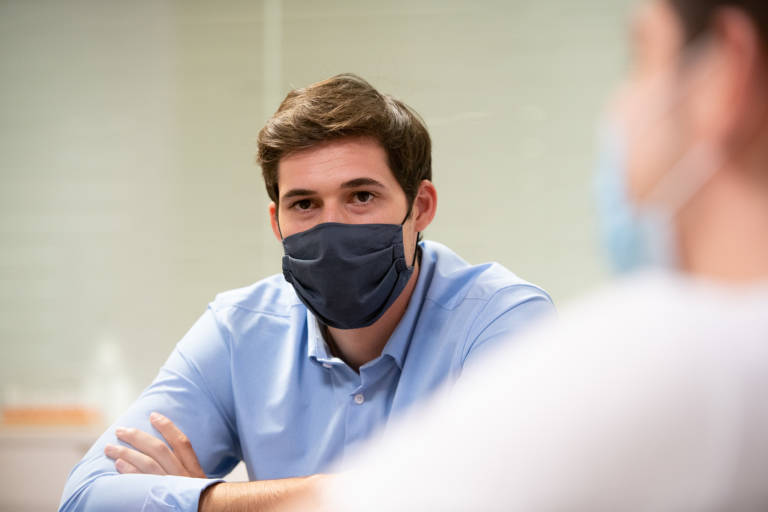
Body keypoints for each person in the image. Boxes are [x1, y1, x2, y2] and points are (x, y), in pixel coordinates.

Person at [285, 1, 768, 510]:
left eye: (643, 55)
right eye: (304, 203)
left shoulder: (680, 352)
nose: (620, 106)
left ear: (725, 73)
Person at [58, 74, 554, 511]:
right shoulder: (239, 328)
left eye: (361, 196)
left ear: (420, 207)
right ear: (277, 222)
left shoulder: (500, 321)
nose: (331, 225)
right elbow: (87, 498)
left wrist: (213, 505)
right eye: (304, 204)